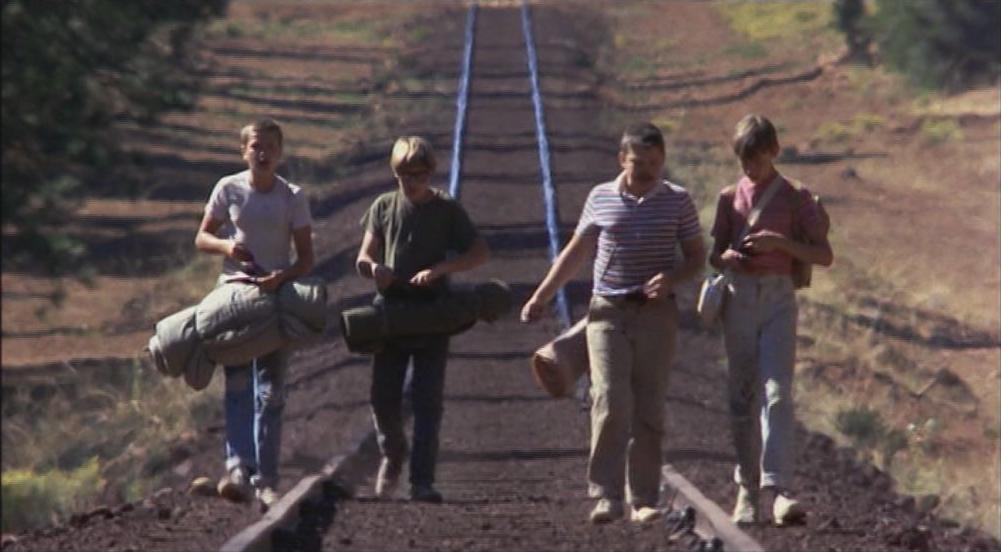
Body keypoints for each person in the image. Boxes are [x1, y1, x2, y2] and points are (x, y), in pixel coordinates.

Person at [521, 123, 705, 524]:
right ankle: (606, 494)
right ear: (623, 159)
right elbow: (577, 250)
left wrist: (671, 279)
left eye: (655, 163)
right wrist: (542, 295)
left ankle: (643, 498)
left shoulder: (677, 201)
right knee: (609, 399)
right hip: (607, 312)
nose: (648, 171)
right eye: (640, 162)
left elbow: (696, 257)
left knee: (649, 406)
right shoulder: (600, 197)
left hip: (656, 315)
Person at [709, 114, 833, 526]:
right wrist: (725, 257)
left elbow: (823, 255)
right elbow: (715, 252)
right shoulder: (729, 198)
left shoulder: (798, 198)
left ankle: (779, 489)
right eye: (744, 162)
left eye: (757, 161)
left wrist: (779, 243)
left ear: (774, 152)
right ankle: (746, 488)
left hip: (779, 298)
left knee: (777, 393)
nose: (750, 169)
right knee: (741, 398)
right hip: (739, 299)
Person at [355, 136, 489, 503]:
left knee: (428, 401)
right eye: (403, 174)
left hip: (433, 312)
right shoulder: (383, 206)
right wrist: (374, 269)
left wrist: (441, 269)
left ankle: (422, 480)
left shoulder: (446, 209)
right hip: (391, 312)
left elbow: (478, 252)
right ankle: (393, 451)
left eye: (418, 174)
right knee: (383, 398)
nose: (411, 181)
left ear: (430, 172)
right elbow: (364, 256)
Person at [194, 118, 315, 510]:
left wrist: (283, 276)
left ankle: (266, 480)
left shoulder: (292, 196)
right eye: (255, 147)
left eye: (270, 148)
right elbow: (202, 237)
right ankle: (238, 469)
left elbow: (306, 258)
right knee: (238, 385)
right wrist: (228, 248)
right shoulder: (227, 189)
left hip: (275, 298)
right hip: (234, 295)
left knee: (272, 391)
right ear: (243, 151)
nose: (262, 154)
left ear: (280, 153)